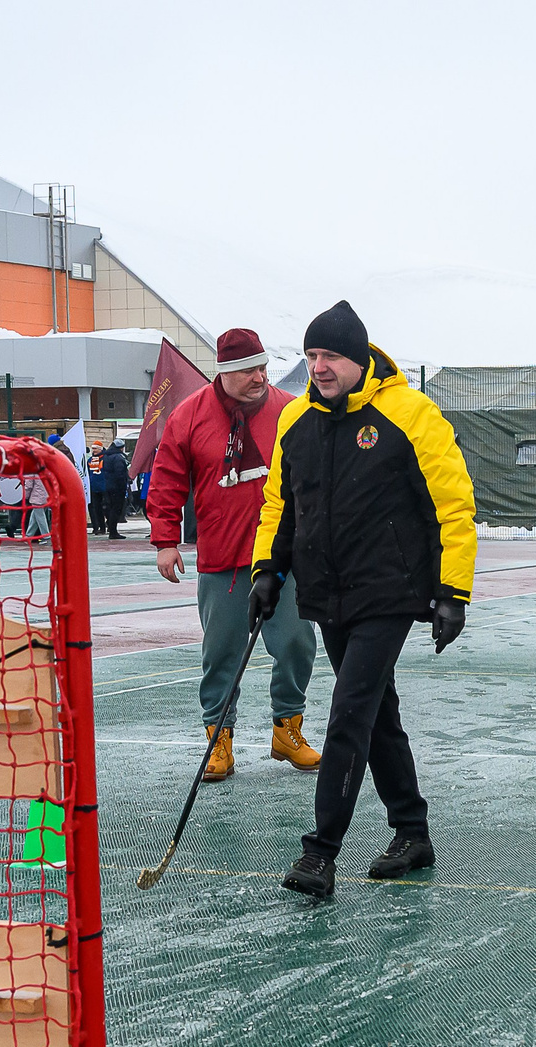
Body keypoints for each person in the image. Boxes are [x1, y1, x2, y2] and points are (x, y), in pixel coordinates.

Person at [251, 301, 474, 898]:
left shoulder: (410, 413)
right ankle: (412, 830)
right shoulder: (295, 419)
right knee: (377, 714)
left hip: (390, 591)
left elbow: (453, 505)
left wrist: (452, 592)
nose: (319, 367)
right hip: (328, 592)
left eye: (330, 356)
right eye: (312, 356)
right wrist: (266, 569)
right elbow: (280, 503)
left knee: (349, 712)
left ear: (358, 358)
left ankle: (321, 853)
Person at [148, 327, 322, 782]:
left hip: (283, 557)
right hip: (221, 559)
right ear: (224, 373)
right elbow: (166, 479)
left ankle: (288, 728)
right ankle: (218, 740)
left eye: (263, 368)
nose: (260, 377)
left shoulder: (290, 410)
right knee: (221, 652)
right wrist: (166, 540)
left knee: (297, 643)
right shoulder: (188, 417)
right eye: (248, 371)